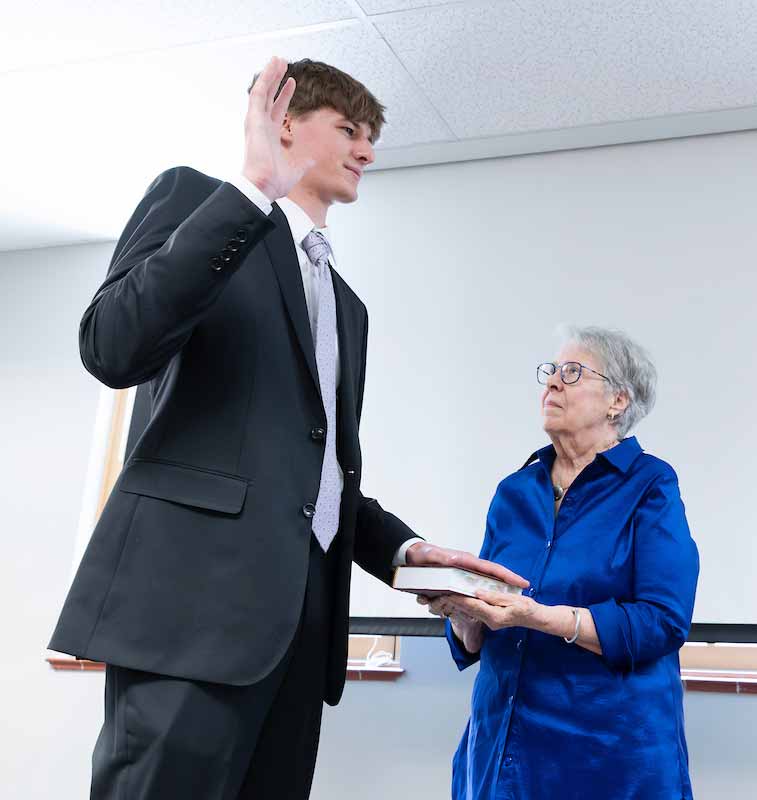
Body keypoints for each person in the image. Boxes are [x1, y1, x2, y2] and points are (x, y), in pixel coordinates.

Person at [49, 57, 525, 800]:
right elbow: (113, 347)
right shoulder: (197, 203)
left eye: (372, 137)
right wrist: (249, 192)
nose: (368, 150)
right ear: (286, 122)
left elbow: (321, 478)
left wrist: (409, 555)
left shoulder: (348, 307)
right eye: (349, 129)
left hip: (299, 644)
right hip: (191, 624)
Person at [420, 326, 700, 800]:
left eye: (572, 372)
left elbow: (663, 620)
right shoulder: (515, 490)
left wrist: (540, 617)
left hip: (606, 757)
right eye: (550, 372)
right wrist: (465, 616)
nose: (551, 383)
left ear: (618, 400)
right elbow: (483, 618)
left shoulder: (651, 485)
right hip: (501, 746)